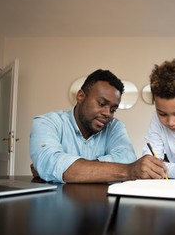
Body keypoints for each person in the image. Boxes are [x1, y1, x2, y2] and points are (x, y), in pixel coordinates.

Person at [30, 69, 167, 183]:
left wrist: (67, 169)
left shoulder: (115, 127)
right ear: (81, 96)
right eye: (101, 104)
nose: (108, 114)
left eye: (113, 109)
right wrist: (127, 170)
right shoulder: (46, 123)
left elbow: (127, 158)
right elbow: (50, 162)